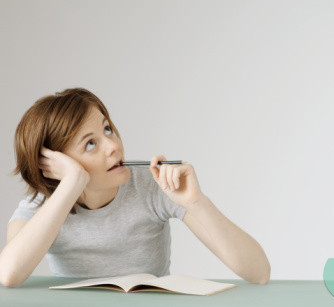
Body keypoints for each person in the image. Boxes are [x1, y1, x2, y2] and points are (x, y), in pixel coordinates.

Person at [0, 88, 270, 288]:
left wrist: (196, 201)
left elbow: (258, 272)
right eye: (90, 144)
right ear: (55, 165)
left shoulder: (153, 186)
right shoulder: (42, 206)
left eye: (107, 129)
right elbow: (9, 275)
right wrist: (71, 184)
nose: (113, 146)